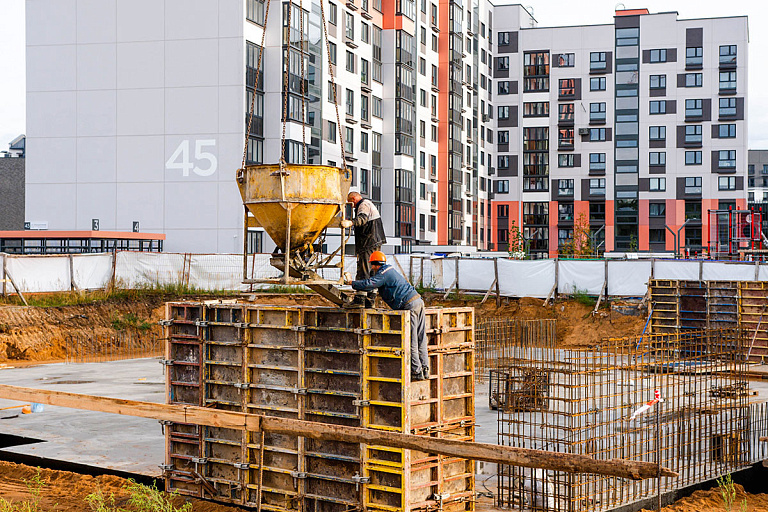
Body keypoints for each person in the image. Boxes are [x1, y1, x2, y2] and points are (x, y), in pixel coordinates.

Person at [344, 251, 429, 381]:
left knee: (411, 340)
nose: (372, 268)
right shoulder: (389, 270)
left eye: (372, 265)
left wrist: (352, 283)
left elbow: (370, 284)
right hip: (418, 302)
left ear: (376, 264)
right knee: (420, 338)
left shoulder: (383, 274)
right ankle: (425, 369)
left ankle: (417, 372)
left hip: (409, 306)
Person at [340, 189, 387, 306]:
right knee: (372, 271)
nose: (352, 207)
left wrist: (350, 223)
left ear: (354, 199)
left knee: (364, 269)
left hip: (368, 242)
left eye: (351, 203)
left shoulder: (363, 205)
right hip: (374, 241)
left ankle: (360, 299)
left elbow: (362, 219)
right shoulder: (369, 204)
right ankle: (370, 299)